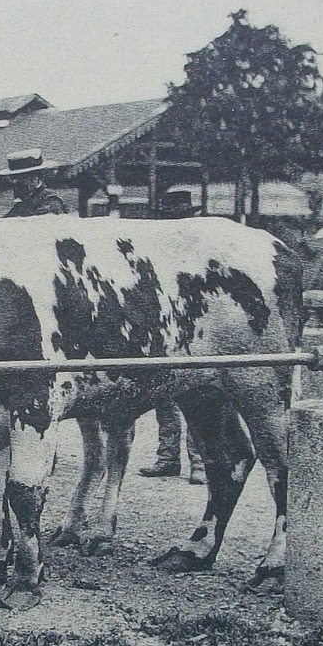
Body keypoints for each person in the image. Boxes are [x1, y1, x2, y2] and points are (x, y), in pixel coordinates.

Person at [139, 185, 205, 482]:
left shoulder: (199, 249)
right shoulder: (155, 247)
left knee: (195, 394)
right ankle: (168, 457)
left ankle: (199, 461)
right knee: (163, 395)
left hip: (191, 324)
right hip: (160, 324)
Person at [0, 149, 68, 217]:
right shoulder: (22, 202)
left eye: (22, 178)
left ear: (36, 177)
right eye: (13, 178)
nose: (15, 182)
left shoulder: (50, 201)